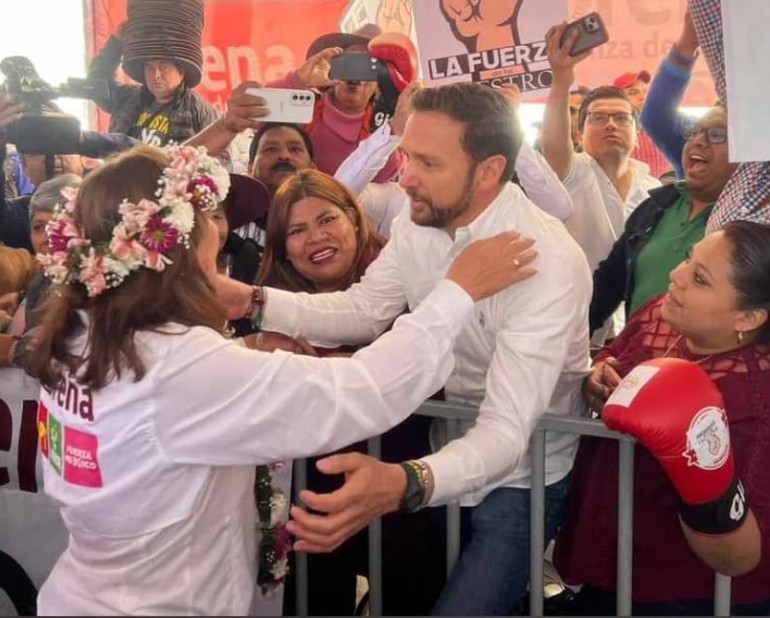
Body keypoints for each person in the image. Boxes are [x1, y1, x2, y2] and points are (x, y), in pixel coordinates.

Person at [27, 142, 532, 615]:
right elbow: (362, 390)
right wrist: (457, 293)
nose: (220, 232)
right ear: (178, 243)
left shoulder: (80, 332)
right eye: (209, 218)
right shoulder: (177, 364)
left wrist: (247, 331)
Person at [255, 82, 592, 616]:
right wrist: (251, 302)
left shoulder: (546, 260)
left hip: (522, 476)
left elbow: (506, 431)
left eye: (427, 163)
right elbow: (363, 310)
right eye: (408, 156)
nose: (405, 177)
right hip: (442, 457)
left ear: (488, 171)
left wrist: (403, 482)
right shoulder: (418, 219)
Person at [556, 221, 770, 615]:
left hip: (682, 589)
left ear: (748, 318)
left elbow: (739, 556)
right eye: (688, 259)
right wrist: (597, 375)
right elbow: (614, 355)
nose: (676, 274)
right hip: (607, 548)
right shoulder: (660, 312)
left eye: (700, 278)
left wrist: (698, 466)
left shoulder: (756, 395)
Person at [257, 169, 443, 615]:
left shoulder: (412, 287)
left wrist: (349, 368)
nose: (316, 237)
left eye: (327, 219)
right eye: (297, 230)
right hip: (310, 503)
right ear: (282, 247)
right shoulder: (267, 313)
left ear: (354, 219)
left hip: (402, 499)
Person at [589, 104, 736, 334]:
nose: (699, 141)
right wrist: (567, 338)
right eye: (694, 132)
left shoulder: (749, 225)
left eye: (717, 135)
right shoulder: (655, 206)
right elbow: (609, 283)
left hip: (709, 356)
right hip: (636, 353)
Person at [87, 23, 218, 146]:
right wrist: (115, 44)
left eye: (163, 68)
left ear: (181, 72)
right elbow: (96, 86)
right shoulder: (127, 98)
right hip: (122, 164)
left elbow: (220, 155)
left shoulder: (199, 111)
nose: (156, 76)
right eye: (150, 68)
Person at [613, 70, 671, 178]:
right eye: (633, 92)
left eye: (645, 91)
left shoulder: (663, 130)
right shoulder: (611, 133)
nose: (643, 97)